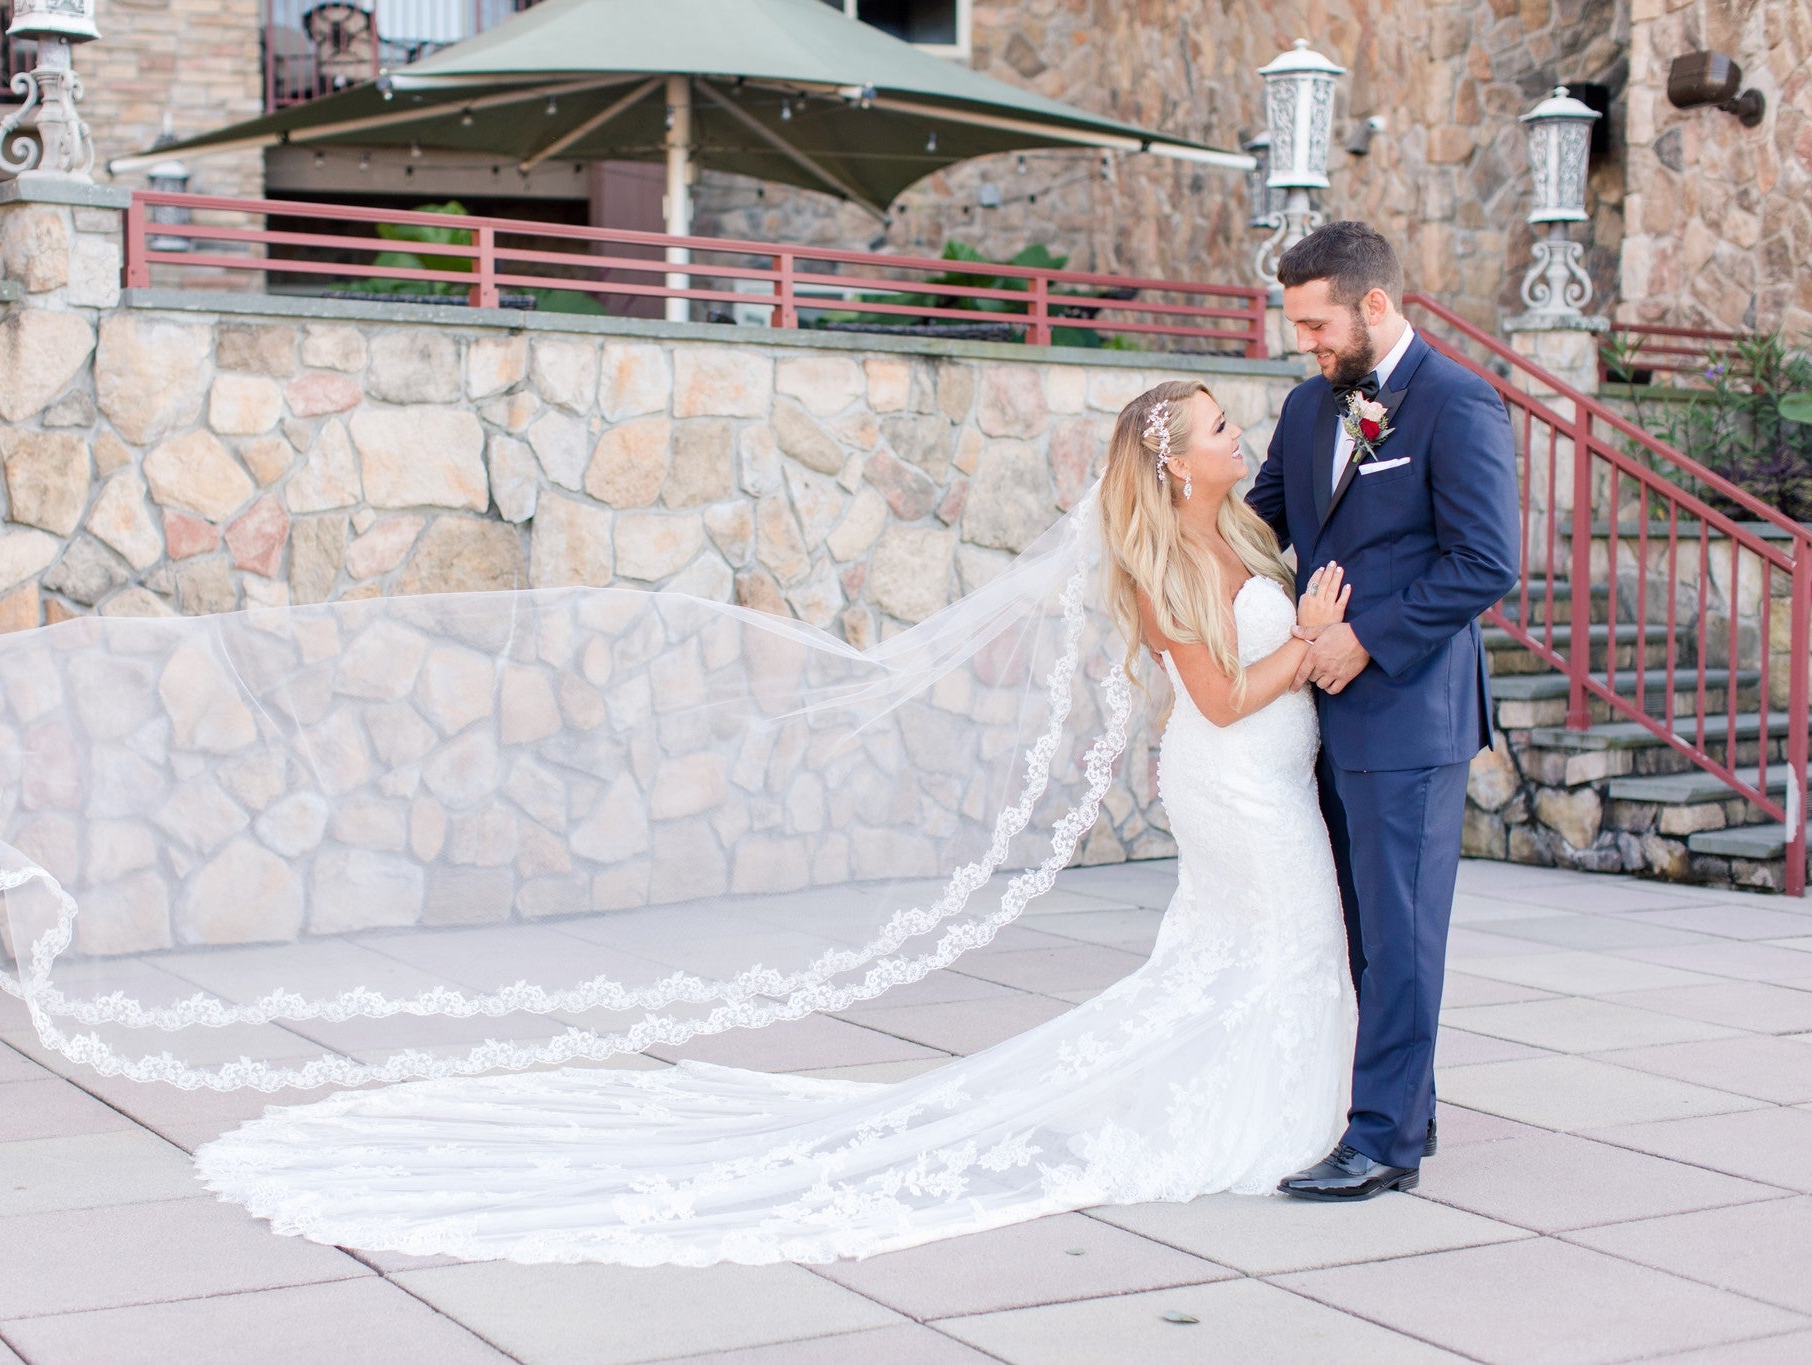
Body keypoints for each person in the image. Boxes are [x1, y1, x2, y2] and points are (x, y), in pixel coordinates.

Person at [183, 380, 1365, 1263]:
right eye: (1216, 429)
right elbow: (1213, 698)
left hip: (1263, 775)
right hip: (1236, 783)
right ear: (1171, 466)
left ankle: (1270, 1101)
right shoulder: (1166, 561)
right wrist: (1308, 644)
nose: (1236, 438)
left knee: (1257, 951)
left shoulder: (1238, 535)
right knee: (1275, 941)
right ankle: (1255, 1115)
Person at [1245, 221, 1520, 1200]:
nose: (1305, 344)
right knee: (1357, 926)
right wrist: (1157, 538)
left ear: (1372, 305)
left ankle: (1381, 1142)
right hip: (1318, 715)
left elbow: (1485, 561)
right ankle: (1402, 1107)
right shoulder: (1303, 408)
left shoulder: (1456, 402)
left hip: (1407, 711)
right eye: (1296, 327)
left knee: (1399, 933)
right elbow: (1255, 524)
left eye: (1316, 325)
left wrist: (1366, 636)